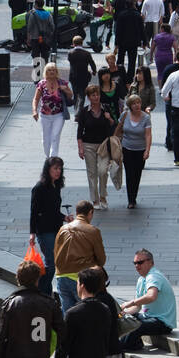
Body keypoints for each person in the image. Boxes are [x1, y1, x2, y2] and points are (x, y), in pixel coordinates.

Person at [53, 199, 106, 318]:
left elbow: (55, 251)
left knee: (68, 315)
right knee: (86, 315)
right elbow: (101, 259)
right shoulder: (93, 231)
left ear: (77, 212)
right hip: (81, 278)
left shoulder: (63, 229)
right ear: (90, 212)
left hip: (61, 276)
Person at [119, 248, 177, 351]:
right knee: (126, 319)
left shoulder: (154, 276)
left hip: (162, 322)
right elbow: (137, 307)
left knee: (136, 326)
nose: (137, 266)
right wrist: (122, 313)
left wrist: (130, 302)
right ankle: (130, 343)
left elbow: (151, 296)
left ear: (151, 262)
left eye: (140, 262)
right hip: (148, 317)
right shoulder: (142, 279)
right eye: (135, 263)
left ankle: (121, 347)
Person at [29, 156, 67, 296]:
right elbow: (34, 211)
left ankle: (45, 291)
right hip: (44, 230)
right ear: (48, 170)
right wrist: (32, 233)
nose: (58, 171)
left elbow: (53, 210)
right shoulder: (39, 188)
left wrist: (64, 217)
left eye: (60, 169)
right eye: (55, 168)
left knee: (52, 262)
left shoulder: (56, 185)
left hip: (56, 228)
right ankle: (41, 289)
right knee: (51, 263)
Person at [76, 84, 114, 209]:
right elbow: (80, 131)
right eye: (93, 95)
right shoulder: (84, 112)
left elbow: (114, 125)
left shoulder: (106, 108)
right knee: (92, 173)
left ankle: (103, 196)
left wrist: (109, 119)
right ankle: (95, 200)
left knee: (103, 171)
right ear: (89, 97)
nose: (96, 97)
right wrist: (80, 148)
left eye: (97, 94)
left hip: (103, 145)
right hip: (88, 145)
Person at [115, 94, 152, 209]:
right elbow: (118, 129)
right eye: (134, 103)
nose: (137, 105)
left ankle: (133, 195)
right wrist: (114, 142)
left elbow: (148, 135)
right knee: (129, 174)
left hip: (140, 150)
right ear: (130, 106)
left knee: (137, 174)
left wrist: (147, 150)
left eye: (138, 103)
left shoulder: (146, 117)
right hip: (127, 148)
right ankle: (131, 200)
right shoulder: (125, 115)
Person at [32, 63, 72, 159]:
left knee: (55, 136)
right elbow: (36, 99)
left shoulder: (62, 83)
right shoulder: (42, 84)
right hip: (44, 115)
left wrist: (65, 89)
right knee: (46, 139)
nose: (51, 72)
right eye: (49, 70)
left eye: (53, 70)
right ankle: (48, 156)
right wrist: (34, 111)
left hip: (59, 115)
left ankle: (53, 158)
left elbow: (71, 95)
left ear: (56, 72)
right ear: (46, 72)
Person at [67, 37, 96, 110]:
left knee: (75, 94)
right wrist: (94, 71)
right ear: (82, 43)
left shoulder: (70, 53)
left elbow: (70, 61)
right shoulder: (87, 53)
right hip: (84, 76)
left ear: (73, 44)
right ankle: (80, 110)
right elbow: (92, 63)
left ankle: (76, 110)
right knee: (82, 94)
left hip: (74, 76)